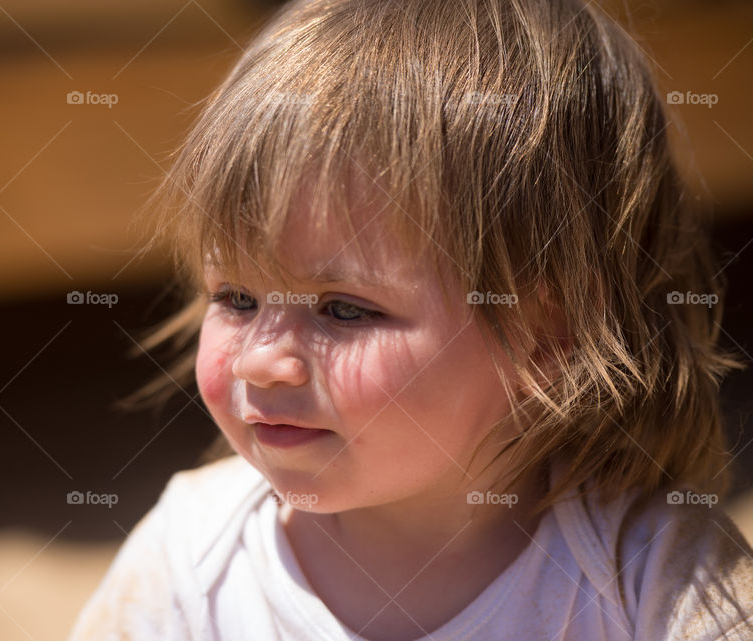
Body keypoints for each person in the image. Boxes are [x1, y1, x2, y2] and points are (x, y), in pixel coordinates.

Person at [64, 0, 753, 639]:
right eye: (237, 298)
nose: (258, 360)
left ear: (545, 336)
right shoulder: (190, 559)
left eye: (343, 309)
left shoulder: (649, 577)